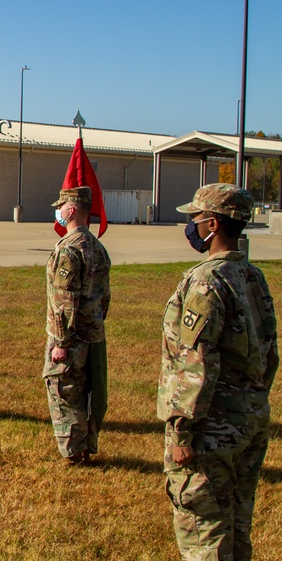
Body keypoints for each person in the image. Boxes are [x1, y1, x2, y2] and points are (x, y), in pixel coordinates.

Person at [159, 183, 277, 560]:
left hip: (213, 427)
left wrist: (182, 431)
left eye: (195, 218)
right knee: (236, 527)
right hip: (251, 417)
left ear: (212, 224)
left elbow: (195, 362)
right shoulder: (252, 275)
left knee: (204, 531)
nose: (191, 225)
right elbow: (270, 351)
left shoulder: (206, 281)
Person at [43, 186, 111, 464]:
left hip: (72, 337)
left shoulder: (70, 249)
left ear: (71, 210)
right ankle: (85, 447)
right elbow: (104, 297)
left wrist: (61, 342)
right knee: (87, 394)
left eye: (61, 207)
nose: (58, 212)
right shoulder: (97, 247)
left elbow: (64, 300)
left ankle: (74, 452)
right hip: (93, 333)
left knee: (66, 392)